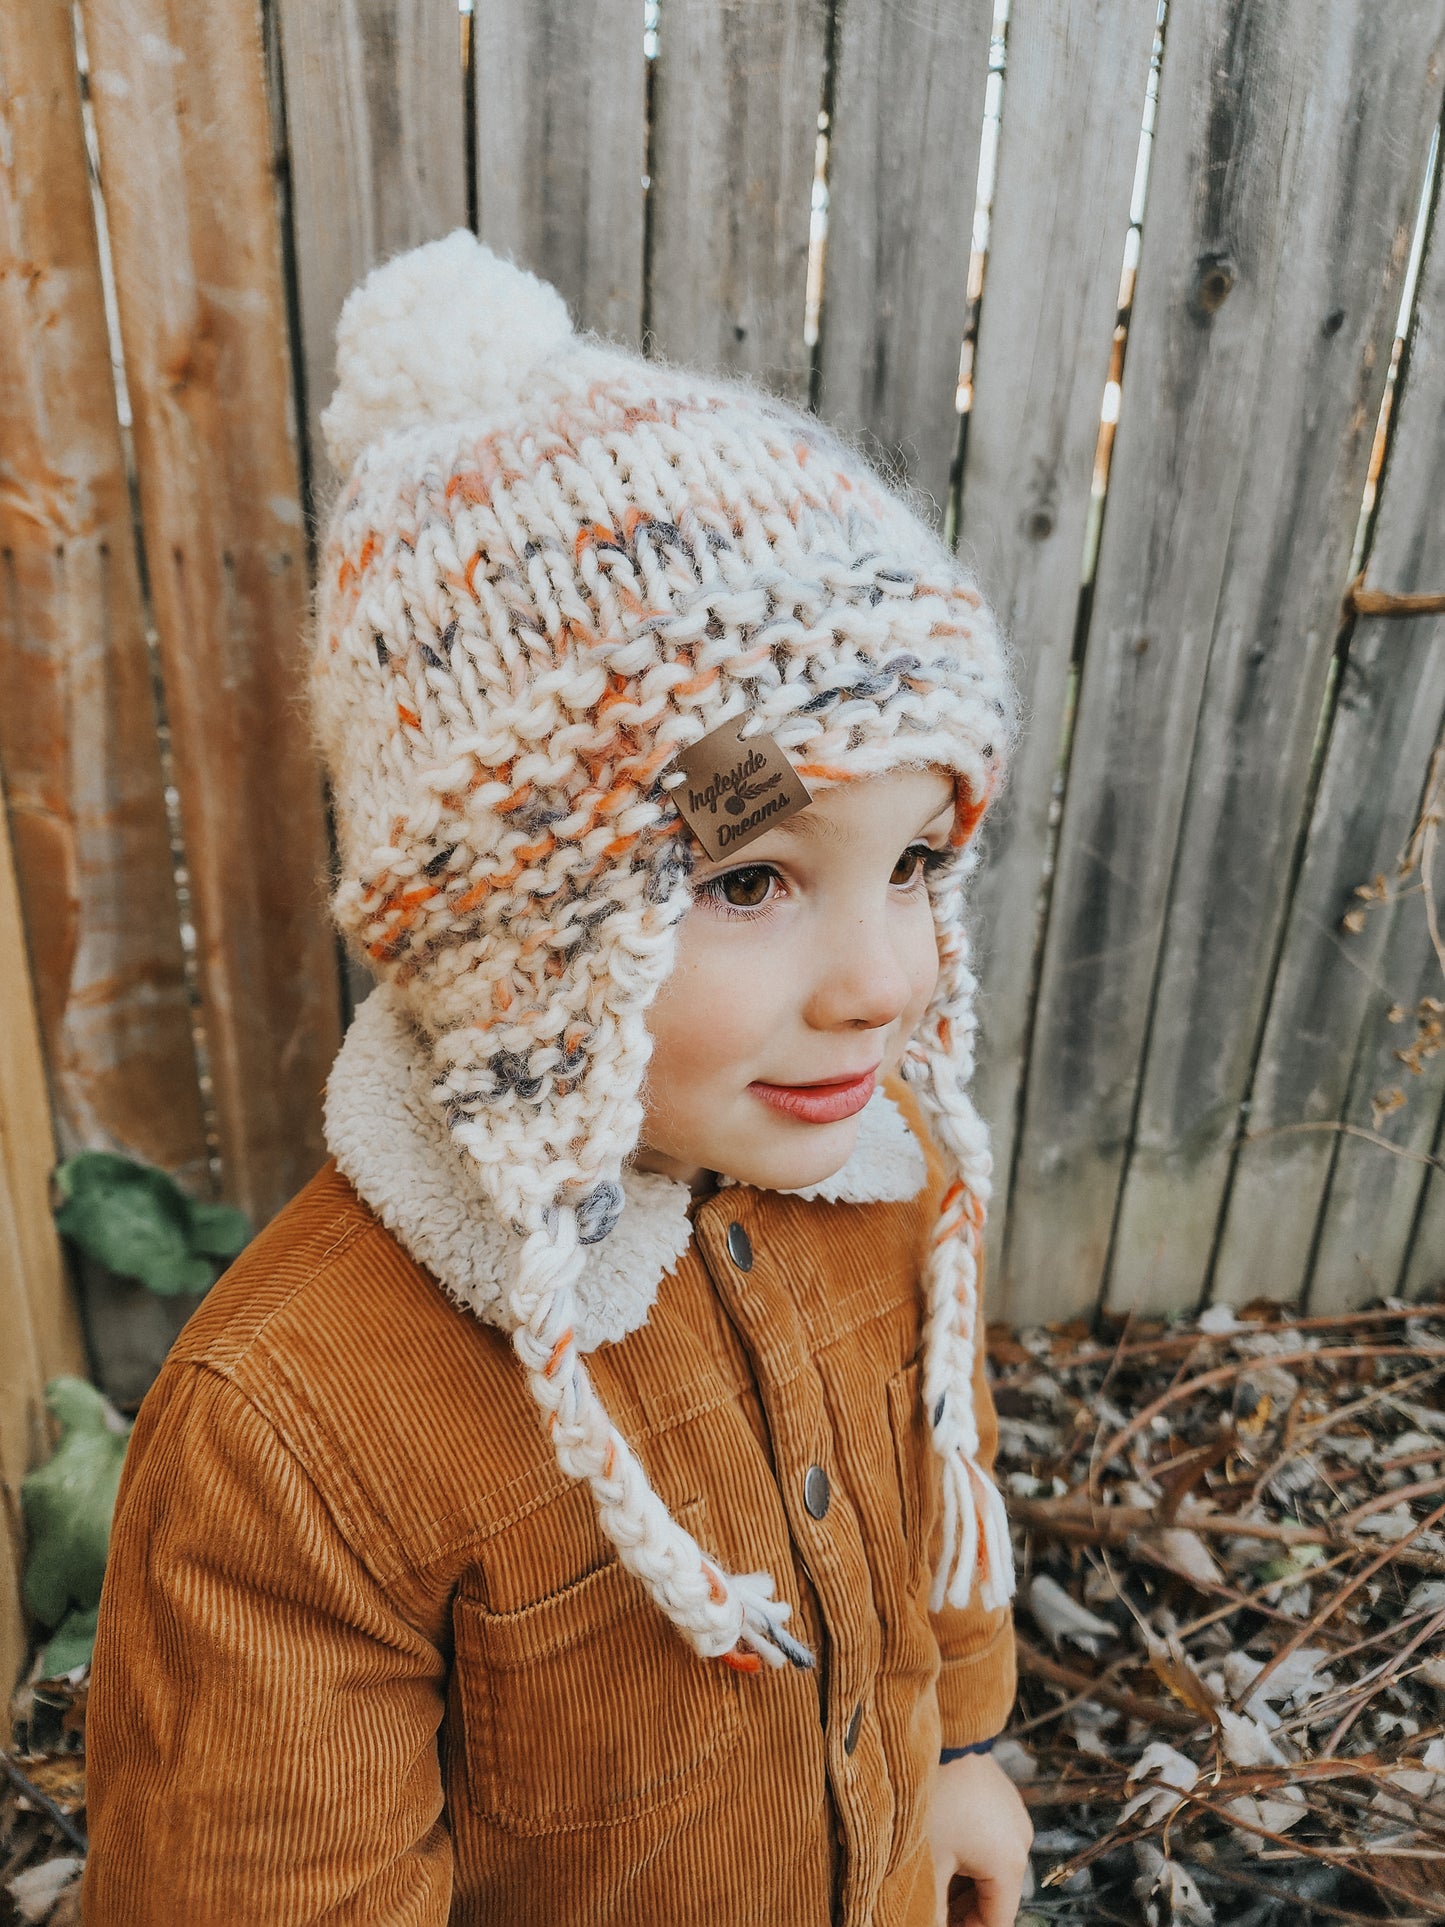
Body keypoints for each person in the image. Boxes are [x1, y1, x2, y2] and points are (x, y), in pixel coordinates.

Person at [82, 233, 1031, 1925]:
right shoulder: (292, 1443)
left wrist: (952, 1754)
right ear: (510, 938)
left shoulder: (871, 1177)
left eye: (912, 863)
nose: (886, 980)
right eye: (749, 879)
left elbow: (924, 1484)